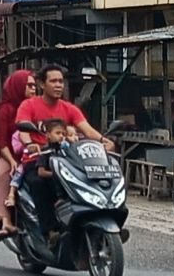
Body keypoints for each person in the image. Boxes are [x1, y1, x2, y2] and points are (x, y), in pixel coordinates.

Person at [16, 65, 114, 238]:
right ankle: (50, 230)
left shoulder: (69, 108)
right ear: (41, 84)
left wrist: (103, 141)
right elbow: (23, 129)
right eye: (53, 81)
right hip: (39, 159)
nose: (58, 85)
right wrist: (30, 143)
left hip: (66, 160)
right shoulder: (29, 105)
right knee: (39, 183)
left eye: (61, 81)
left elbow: (88, 130)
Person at [0, 69, 35, 238]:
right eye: (29, 85)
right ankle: (5, 221)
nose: (33, 89)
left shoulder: (36, 106)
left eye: (34, 85)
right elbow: (1, 140)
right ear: (18, 86)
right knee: (2, 175)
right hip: (11, 155)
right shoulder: (5, 109)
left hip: (35, 154)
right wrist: (11, 161)